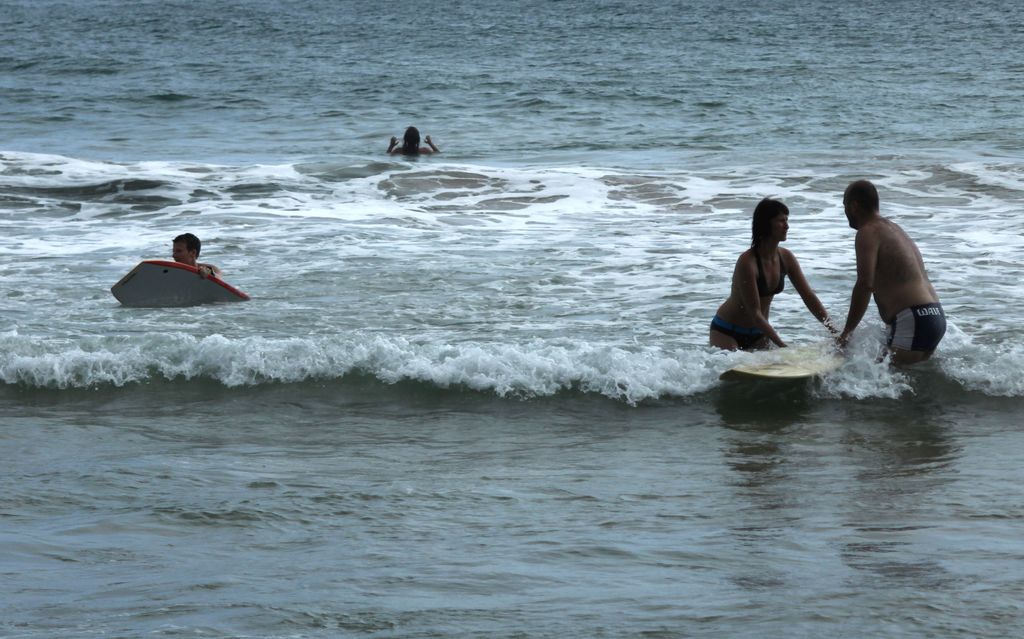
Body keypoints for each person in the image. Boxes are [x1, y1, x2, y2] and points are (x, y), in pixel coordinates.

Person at [838, 180, 945, 365]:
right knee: (900, 383)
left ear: (854, 206)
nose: (845, 212)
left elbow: (865, 284)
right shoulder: (894, 229)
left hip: (913, 318)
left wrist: (847, 332)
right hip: (934, 314)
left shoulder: (868, 232)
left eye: (844, 206)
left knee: (877, 382)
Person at [710, 198, 836, 350]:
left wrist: (834, 331)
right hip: (727, 331)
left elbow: (808, 296)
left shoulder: (786, 258)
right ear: (766, 224)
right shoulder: (747, 262)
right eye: (781, 221)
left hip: (759, 333)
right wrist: (783, 346)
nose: (787, 226)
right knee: (733, 369)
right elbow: (755, 313)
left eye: (787, 220)